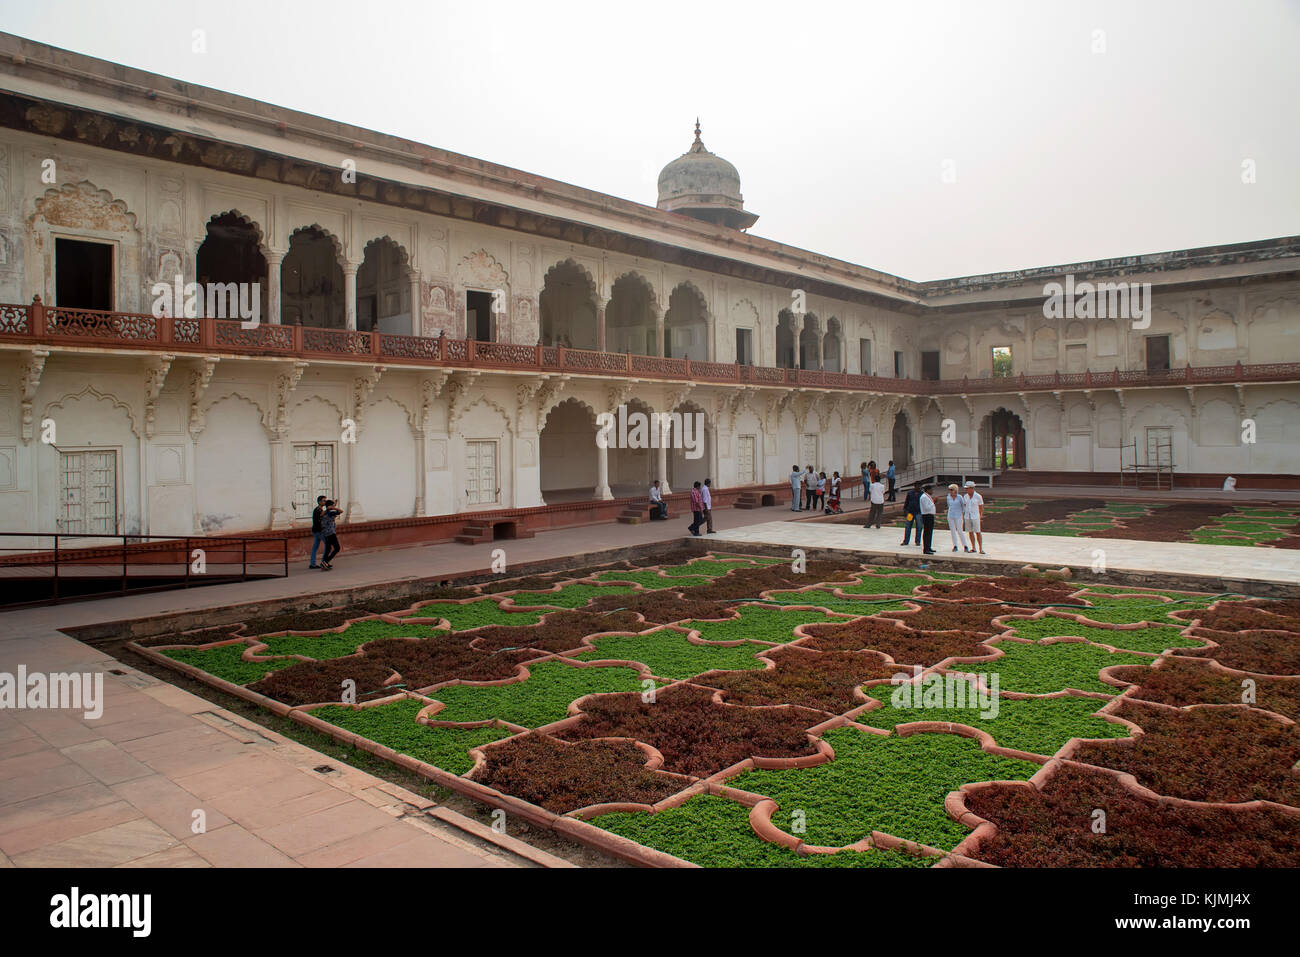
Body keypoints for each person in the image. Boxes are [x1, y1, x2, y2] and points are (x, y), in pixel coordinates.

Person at [963, 481, 986, 555]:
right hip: (967, 516)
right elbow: (964, 505)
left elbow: (981, 507)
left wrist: (980, 516)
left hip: (975, 516)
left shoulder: (978, 496)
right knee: (970, 531)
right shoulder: (965, 496)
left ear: (972, 488)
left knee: (978, 532)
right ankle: (973, 548)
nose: (966, 490)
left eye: (968, 488)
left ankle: (981, 548)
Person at [319, 499, 343, 569]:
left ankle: (325, 563)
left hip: (325, 532)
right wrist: (334, 508)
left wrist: (331, 507)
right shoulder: (330, 512)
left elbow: (322, 514)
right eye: (332, 505)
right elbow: (341, 511)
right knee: (337, 548)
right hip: (330, 533)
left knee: (328, 548)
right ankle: (325, 561)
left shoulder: (325, 512)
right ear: (330, 506)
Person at [945, 483, 968, 552]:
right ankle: (955, 545)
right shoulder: (948, 497)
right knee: (952, 531)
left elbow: (963, 506)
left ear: (955, 490)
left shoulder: (960, 497)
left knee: (960, 531)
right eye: (950, 490)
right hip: (950, 515)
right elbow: (949, 505)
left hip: (958, 516)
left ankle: (965, 545)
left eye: (952, 490)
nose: (950, 491)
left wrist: (963, 514)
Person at [308, 494, 327, 569]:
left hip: (316, 531)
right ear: (319, 502)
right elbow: (321, 518)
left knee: (315, 547)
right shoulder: (318, 510)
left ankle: (312, 563)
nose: (325, 502)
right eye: (324, 501)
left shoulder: (319, 509)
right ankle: (324, 562)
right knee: (327, 545)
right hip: (319, 531)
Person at [919, 485, 937, 554]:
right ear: (927, 490)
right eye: (931, 490)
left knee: (929, 532)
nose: (932, 491)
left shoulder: (927, 496)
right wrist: (933, 502)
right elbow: (926, 508)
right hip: (927, 516)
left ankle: (928, 547)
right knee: (927, 532)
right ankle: (926, 549)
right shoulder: (924, 497)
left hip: (930, 515)